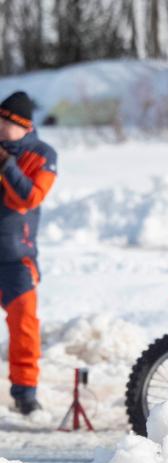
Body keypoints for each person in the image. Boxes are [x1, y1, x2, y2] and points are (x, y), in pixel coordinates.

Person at [0, 91, 57, 415]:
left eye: (5, 123)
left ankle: (25, 395)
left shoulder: (42, 154)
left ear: (21, 125)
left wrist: (7, 166)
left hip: (16, 256)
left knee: (24, 326)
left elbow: (29, 197)